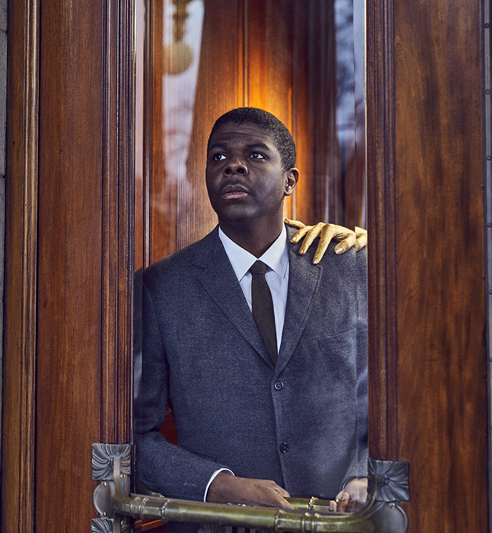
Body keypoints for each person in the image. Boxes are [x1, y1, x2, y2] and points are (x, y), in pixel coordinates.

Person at [133, 108, 368, 531]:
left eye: (256, 155)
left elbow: (387, 394)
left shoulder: (349, 265)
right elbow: (136, 436)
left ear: (290, 181)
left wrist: (366, 473)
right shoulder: (161, 287)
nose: (234, 165)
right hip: (217, 523)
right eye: (218, 157)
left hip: (340, 523)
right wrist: (219, 485)